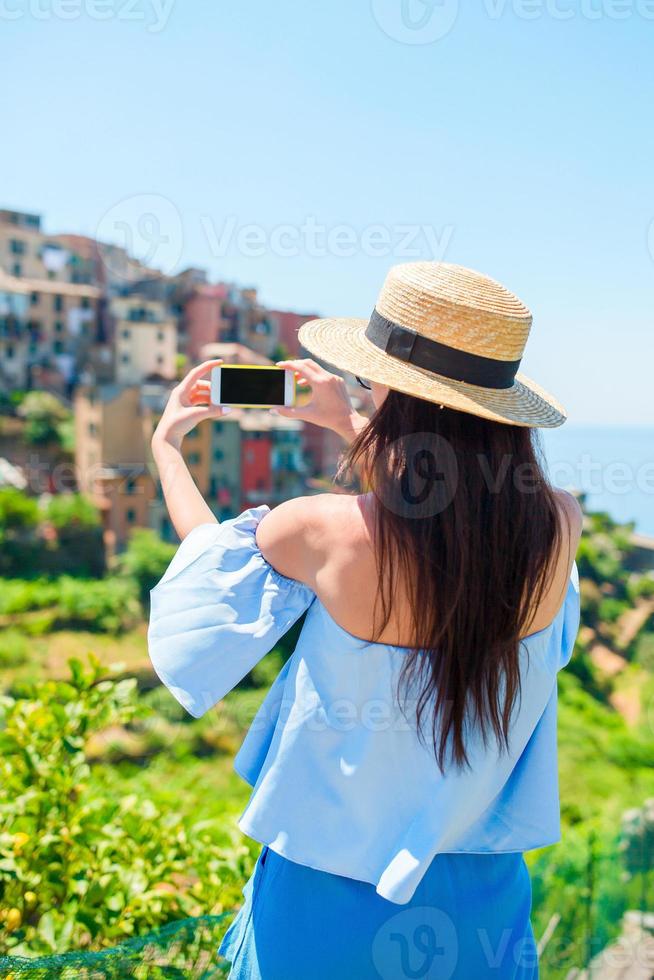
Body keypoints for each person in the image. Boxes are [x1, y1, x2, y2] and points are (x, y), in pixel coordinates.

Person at [148, 262, 582, 980]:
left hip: (322, 900)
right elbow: (450, 517)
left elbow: (203, 572)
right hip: (481, 905)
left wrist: (167, 448)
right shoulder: (556, 525)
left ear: (394, 393)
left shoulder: (323, 531)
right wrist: (345, 421)